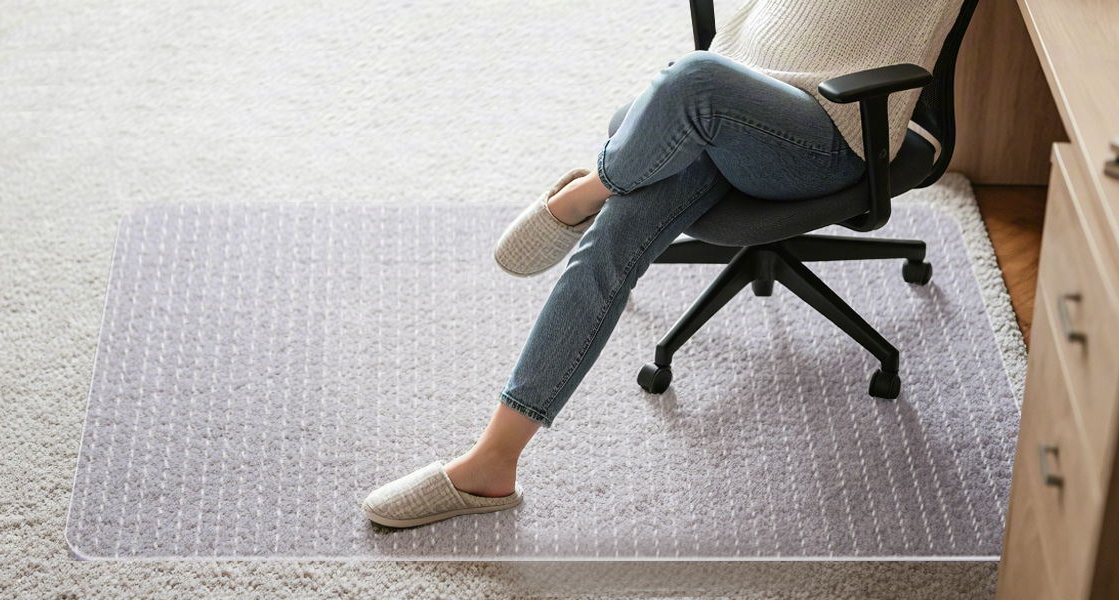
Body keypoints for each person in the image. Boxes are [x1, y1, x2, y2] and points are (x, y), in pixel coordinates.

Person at [360, 0, 965, 529]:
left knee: (692, 84)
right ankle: (491, 465)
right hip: (748, 106)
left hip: (834, 134)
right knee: (611, 244)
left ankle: (583, 193)